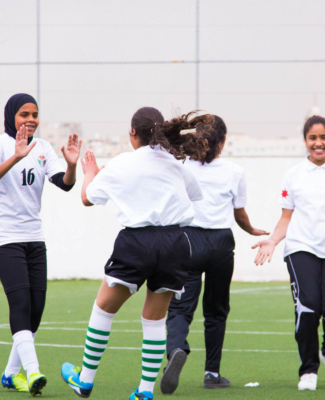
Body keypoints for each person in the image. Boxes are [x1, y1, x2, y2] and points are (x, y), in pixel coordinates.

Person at [61, 108, 212, 400]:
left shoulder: (122, 164)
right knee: (154, 320)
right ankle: (144, 392)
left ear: (133, 133)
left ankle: (85, 381)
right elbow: (194, 195)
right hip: (176, 242)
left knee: (103, 309)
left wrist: (90, 173)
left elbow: (86, 198)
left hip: (137, 242)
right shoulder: (175, 164)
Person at [0, 93, 82, 396]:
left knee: (35, 310)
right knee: (21, 303)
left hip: (33, 237)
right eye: (24, 114)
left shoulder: (45, 148)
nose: (30, 120)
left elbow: (63, 183)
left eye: (35, 114)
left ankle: (11, 374)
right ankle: (33, 371)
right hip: (3, 237)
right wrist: (16, 156)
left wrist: (72, 165)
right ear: (12, 116)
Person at [160, 115, 268, 394]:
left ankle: (176, 350)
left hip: (190, 241)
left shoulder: (182, 166)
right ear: (222, 142)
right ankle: (212, 373)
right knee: (216, 311)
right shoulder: (234, 171)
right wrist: (252, 229)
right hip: (221, 243)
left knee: (181, 307)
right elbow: (239, 213)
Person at [253, 115, 325, 391]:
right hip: (301, 247)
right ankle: (308, 370)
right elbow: (286, 217)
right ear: (305, 141)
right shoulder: (294, 175)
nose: (318, 143)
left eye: (323, 137)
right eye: (313, 138)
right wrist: (273, 241)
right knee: (308, 305)